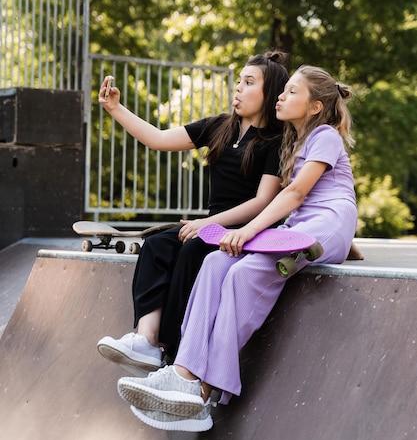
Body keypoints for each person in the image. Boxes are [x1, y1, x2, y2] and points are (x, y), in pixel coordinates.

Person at [116, 64, 358, 432]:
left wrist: (246, 231)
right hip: (297, 228)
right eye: (283, 90)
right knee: (215, 263)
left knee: (244, 273)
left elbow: (295, 193)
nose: (282, 96)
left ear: (315, 107)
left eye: (292, 92)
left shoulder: (325, 134)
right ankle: (183, 372)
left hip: (327, 222)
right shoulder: (292, 141)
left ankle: (206, 394)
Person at [96, 51, 290, 376]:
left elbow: (263, 201)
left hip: (248, 229)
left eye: (249, 82)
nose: (238, 88)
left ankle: (173, 354)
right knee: (158, 244)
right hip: (209, 226)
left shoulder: (275, 140)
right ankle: (147, 339)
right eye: (239, 81)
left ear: (269, 93)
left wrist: (206, 224)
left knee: (192, 250)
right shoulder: (219, 127)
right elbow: (157, 139)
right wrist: (114, 107)